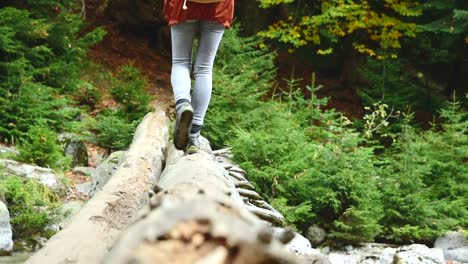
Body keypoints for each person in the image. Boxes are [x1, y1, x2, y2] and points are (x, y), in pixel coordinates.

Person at [163, 0, 235, 154]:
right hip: (219, 6)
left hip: (184, 5)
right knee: (204, 68)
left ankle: (183, 104)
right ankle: (194, 133)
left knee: (181, 62)